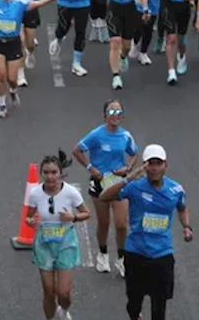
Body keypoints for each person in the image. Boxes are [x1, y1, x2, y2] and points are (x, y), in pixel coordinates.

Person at [98, 144, 193, 320]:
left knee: (159, 306)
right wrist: (128, 178)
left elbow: (182, 208)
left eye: (159, 163)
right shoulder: (134, 188)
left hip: (162, 254)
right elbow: (104, 196)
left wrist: (186, 227)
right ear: (144, 166)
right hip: (136, 253)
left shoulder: (176, 190)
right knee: (133, 305)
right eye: (151, 163)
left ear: (166, 165)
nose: (155, 168)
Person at [73, 100, 139, 275]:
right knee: (104, 222)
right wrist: (91, 169)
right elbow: (77, 151)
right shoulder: (96, 135)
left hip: (118, 183)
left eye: (118, 112)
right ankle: (102, 254)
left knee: (121, 224)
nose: (115, 115)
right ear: (105, 116)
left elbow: (134, 154)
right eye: (111, 112)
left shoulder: (126, 136)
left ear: (122, 116)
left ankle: (121, 258)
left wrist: (128, 167)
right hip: (100, 182)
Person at [26, 151, 90, 319]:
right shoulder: (35, 194)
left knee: (63, 293)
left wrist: (73, 217)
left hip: (65, 244)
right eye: (46, 172)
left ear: (61, 173)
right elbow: (28, 215)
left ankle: (64, 309)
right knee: (48, 291)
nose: (50, 177)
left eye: (54, 172)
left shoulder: (70, 192)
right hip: (44, 244)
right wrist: (30, 222)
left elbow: (86, 213)